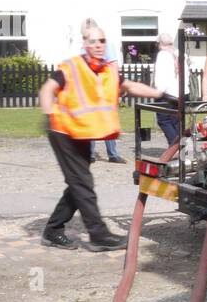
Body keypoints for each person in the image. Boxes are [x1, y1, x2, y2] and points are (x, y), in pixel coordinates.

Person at [39, 22, 162, 251]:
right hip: (62, 130)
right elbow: (47, 90)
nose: (98, 45)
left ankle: (53, 229)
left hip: (82, 132)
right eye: (93, 41)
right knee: (82, 182)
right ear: (84, 44)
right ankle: (98, 235)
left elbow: (131, 87)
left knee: (78, 182)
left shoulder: (107, 71)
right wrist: (47, 113)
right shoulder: (72, 67)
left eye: (102, 41)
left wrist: (162, 95)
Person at [82, 21, 126, 163]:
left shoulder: (107, 46)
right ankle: (89, 154)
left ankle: (112, 154)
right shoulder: (84, 47)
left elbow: (113, 67)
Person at [153, 31, 181, 146]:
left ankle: (175, 146)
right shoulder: (179, 53)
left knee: (163, 120)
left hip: (166, 94)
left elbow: (160, 77)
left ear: (159, 43)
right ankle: (181, 150)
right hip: (179, 93)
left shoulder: (162, 55)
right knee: (176, 122)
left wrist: (157, 91)